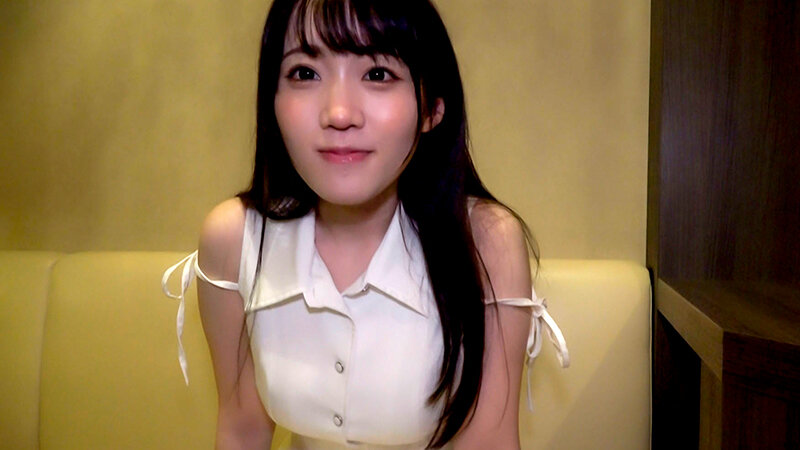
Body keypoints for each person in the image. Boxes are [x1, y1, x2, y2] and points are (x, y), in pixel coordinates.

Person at [162, 0, 569, 448]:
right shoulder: (234, 239)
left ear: (433, 108)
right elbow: (242, 429)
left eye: (377, 73)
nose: (339, 114)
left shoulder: (486, 242)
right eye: (304, 73)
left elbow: (488, 443)